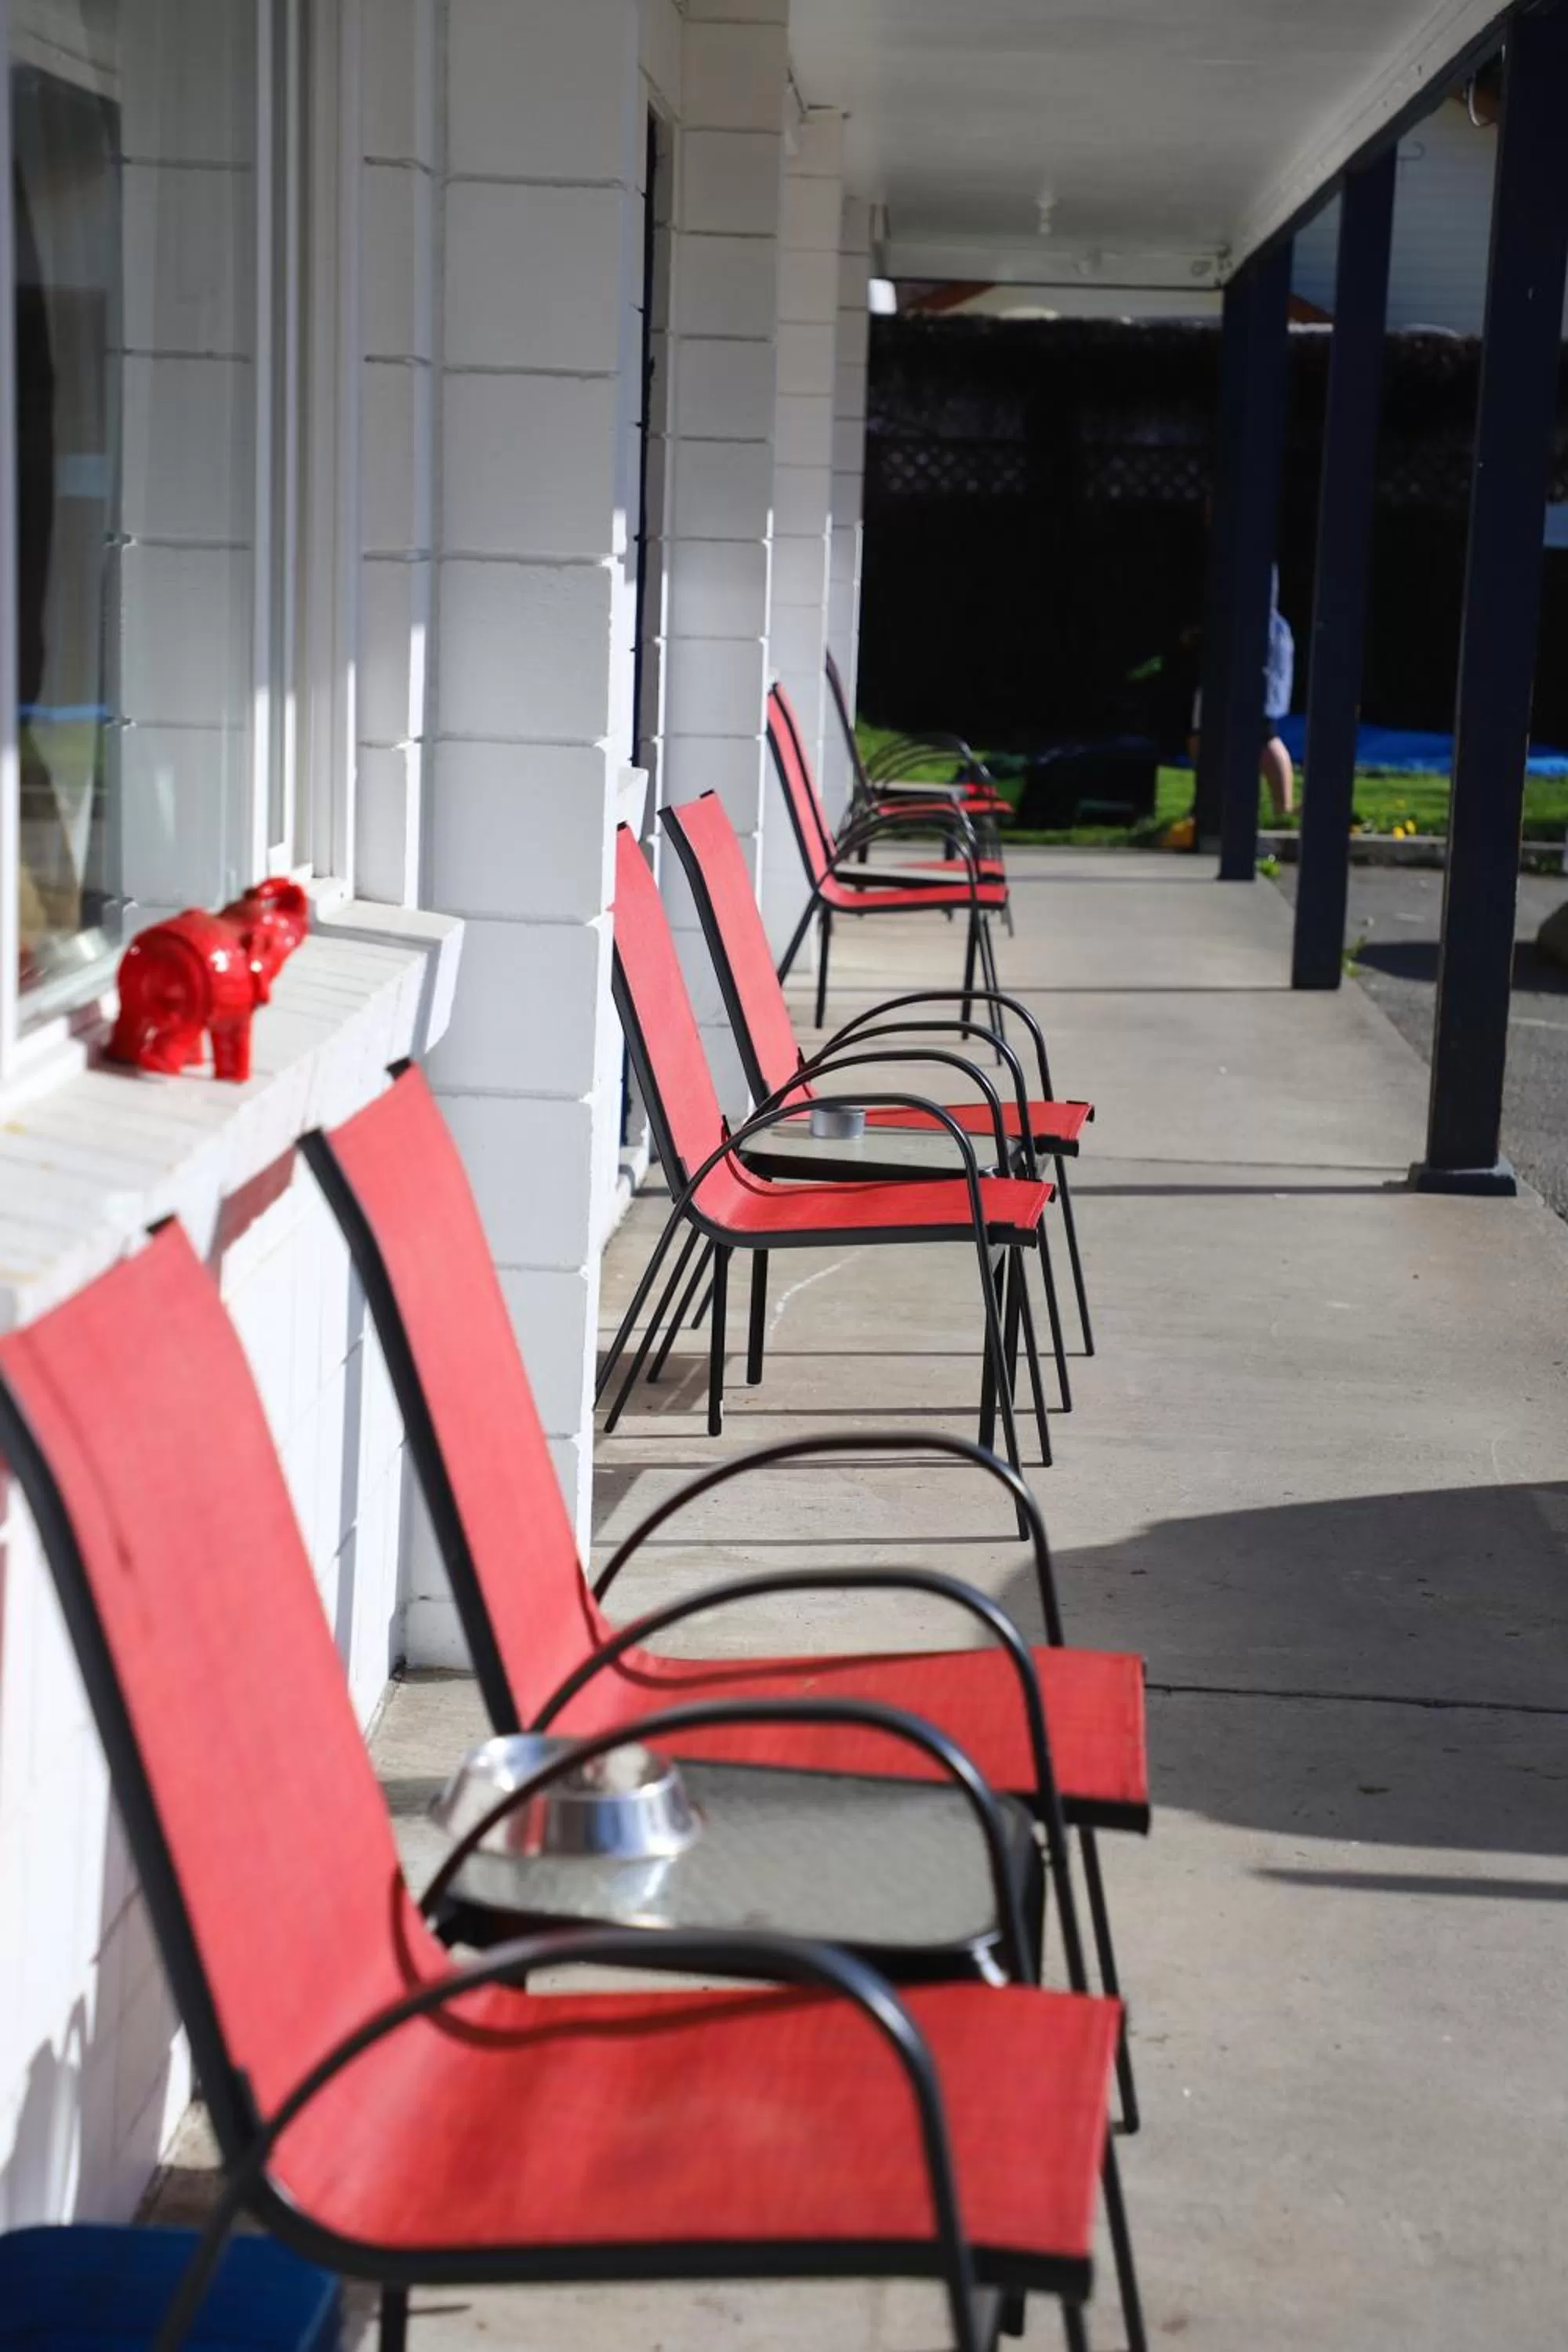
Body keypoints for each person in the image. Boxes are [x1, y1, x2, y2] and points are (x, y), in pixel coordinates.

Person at [1187, 561, 1298, 823]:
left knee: (1263, 731)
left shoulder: (1247, 539)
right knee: (1204, 733)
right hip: (1236, 641)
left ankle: (1282, 809)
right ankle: (1213, 802)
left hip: (1251, 642)